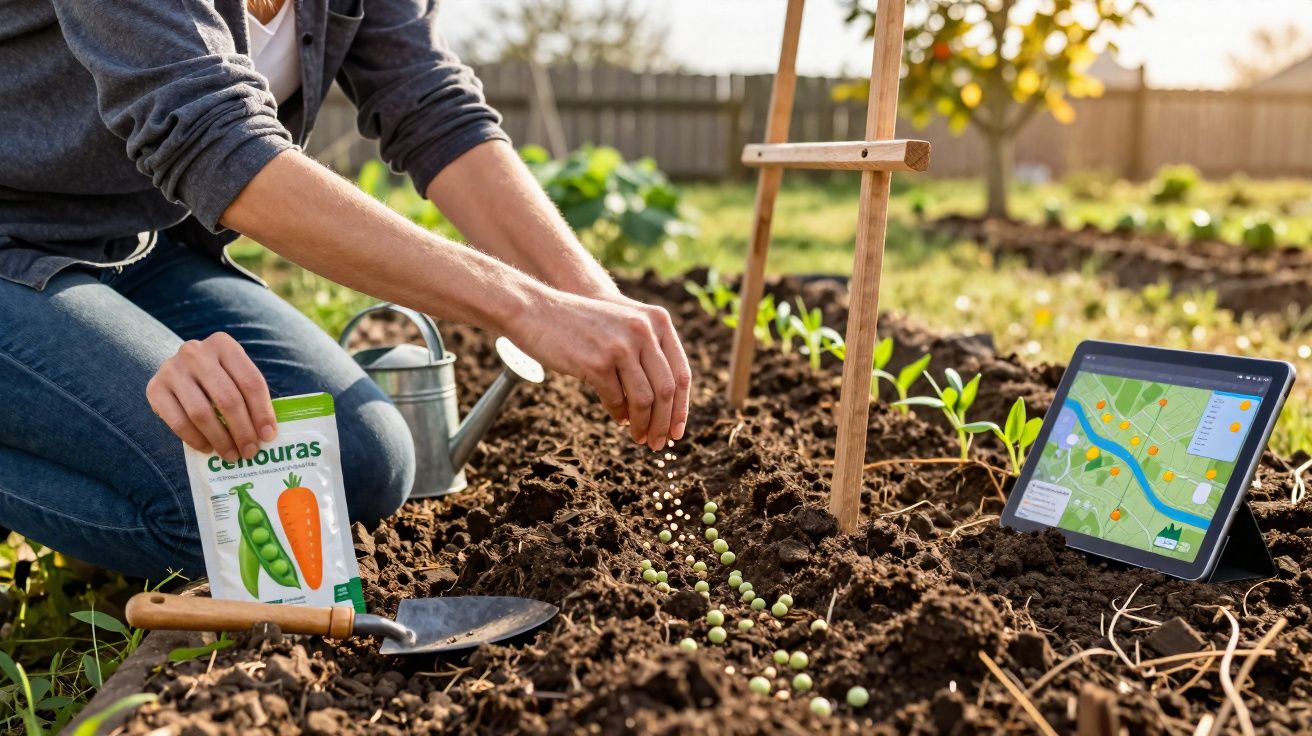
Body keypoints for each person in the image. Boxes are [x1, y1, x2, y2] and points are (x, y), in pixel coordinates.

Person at [0, 0, 692, 580]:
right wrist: (522, 307)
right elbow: (213, 138)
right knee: (213, 511)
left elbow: (432, 109)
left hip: (143, 248)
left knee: (360, 465)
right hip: (12, 241)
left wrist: (597, 303)